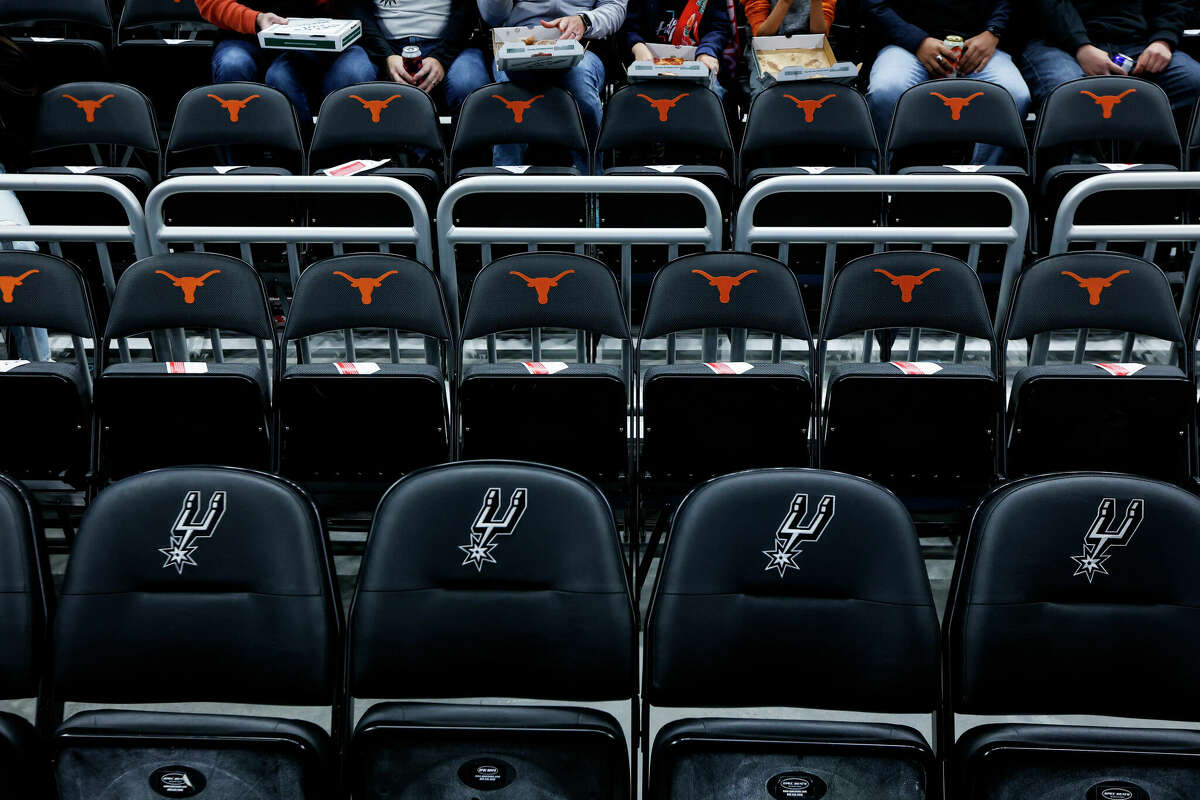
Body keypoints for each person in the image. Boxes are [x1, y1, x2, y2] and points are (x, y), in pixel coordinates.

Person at [862, 0, 1030, 164]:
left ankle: (984, 183)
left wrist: (993, 32)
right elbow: (874, 5)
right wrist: (917, 41)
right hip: (907, 44)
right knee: (886, 92)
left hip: (976, 45)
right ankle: (876, 183)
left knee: (1013, 96)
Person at [477, 0, 629, 168]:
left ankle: (591, 182)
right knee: (509, 94)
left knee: (581, 88)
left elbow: (615, 7)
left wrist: (584, 21)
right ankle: (506, 181)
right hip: (518, 40)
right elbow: (492, 17)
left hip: (582, 40)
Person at [197, 0, 378, 127]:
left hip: (301, 34)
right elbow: (210, 3)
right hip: (243, 34)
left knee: (284, 75)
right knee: (233, 64)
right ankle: (243, 168)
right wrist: (255, 18)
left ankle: (310, 158)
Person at [1018, 0, 1200, 112]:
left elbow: (1175, 3)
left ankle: (1163, 162)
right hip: (1058, 43)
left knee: (1194, 82)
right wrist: (1080, 45)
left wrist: (1163, 39)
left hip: (1137, 42)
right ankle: (1074, 168)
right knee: (1066, 90)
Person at [349, 0, 491, 112]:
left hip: (451, 40)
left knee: (469, 84)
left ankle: (459, 148)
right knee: (348, 78)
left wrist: (441, 57)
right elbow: (356, 8)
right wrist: (386, 56)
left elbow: (467, 9)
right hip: (379, 42)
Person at [620, 0, 734, 97]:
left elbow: (718, 29)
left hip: (696, 68)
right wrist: (637, 46)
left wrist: (707, 52)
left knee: (712, 93)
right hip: (647, 67)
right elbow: (628, 27)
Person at [741, 0, 834, 36]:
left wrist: (816, 2)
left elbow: (820, 34)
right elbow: (761, 35)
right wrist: (785, 3)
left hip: (811, 51)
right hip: (767, 53)